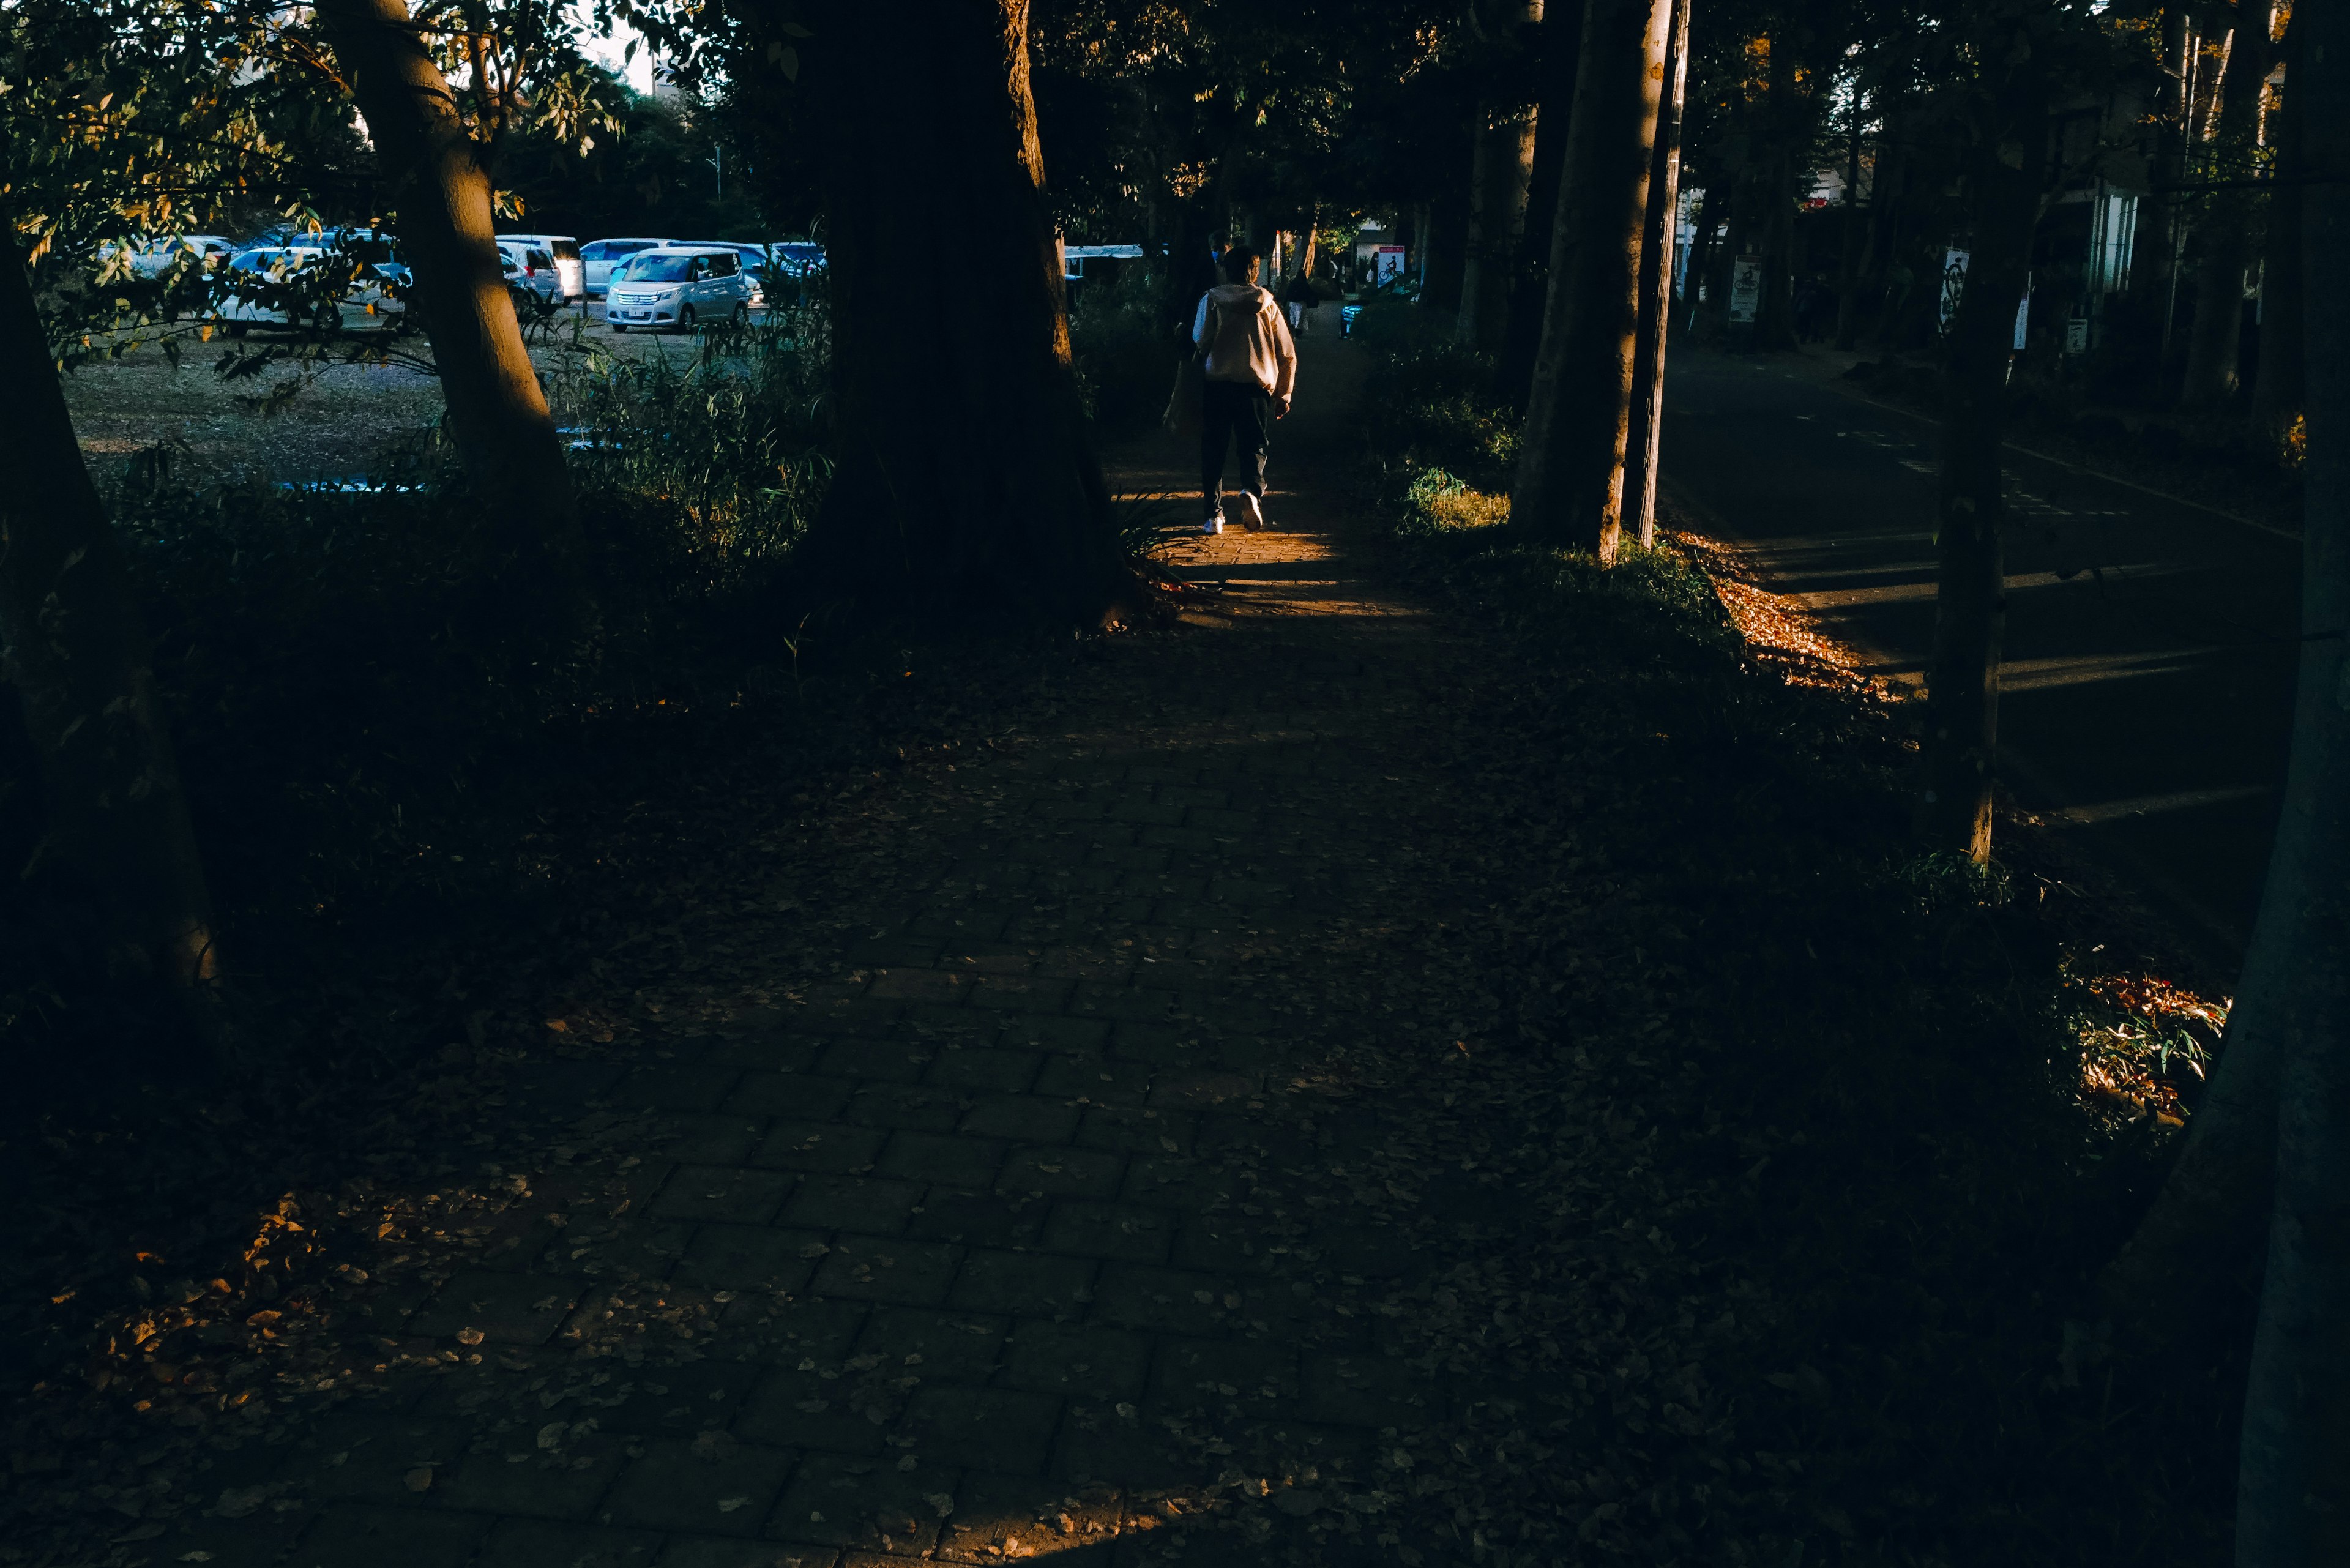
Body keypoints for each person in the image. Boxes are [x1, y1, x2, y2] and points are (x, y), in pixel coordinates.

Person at [1192, 246, 1297, 534]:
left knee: (1214, 450)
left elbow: (1200, 340)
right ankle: (1251, 490)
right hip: (1255, 388)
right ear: (1255, 271)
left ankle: (1213, 517)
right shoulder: (1268, 305)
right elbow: (1287, 353)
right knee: (1253, 446)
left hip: (1217, 385)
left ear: (1225, 269)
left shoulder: (1211, 300)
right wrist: (1284, 395)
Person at [1280, 267, 1320, 334]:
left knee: (1293, 318)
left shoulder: (1293, 283)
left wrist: (1284, 303)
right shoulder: (1304, 284)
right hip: (1301, 303)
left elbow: (1288, 293)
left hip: (1292, 303)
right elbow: (1309, 293)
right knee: (1300, 319)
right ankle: (1298, 330)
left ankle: (1293, 330)